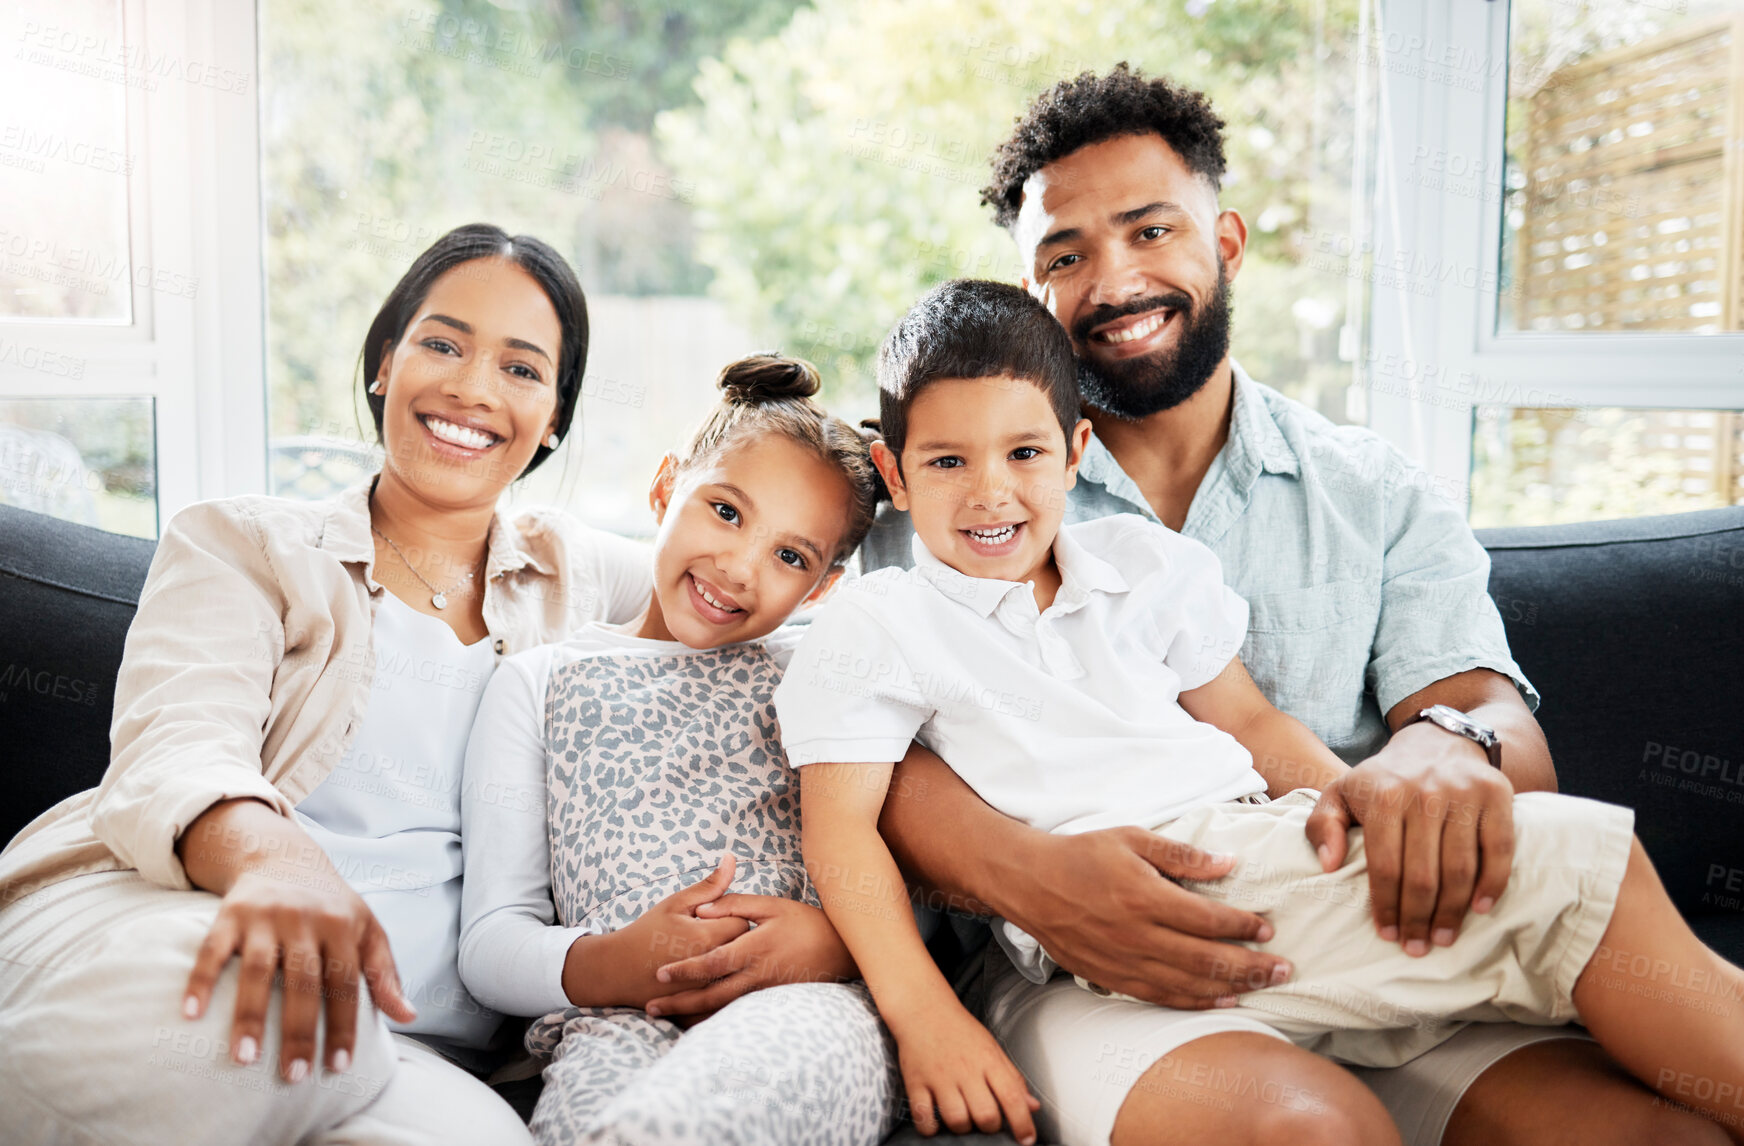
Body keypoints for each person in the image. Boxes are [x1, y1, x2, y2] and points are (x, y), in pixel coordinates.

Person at [857, 67, 1732, 1146]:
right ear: (1028, 291)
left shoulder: (1370, 489)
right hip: (1091, 981)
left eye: (1149, 230)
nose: (1115, 279)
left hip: (1357, 924)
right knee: (1303, 1131)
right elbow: (857, 757)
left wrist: (1445, 750)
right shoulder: (943, 492)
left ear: (1223, 242)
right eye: (1065, 255)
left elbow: (1492, 723)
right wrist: (1030, 880)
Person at [0, 224, 651, 1145]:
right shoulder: (243, 544)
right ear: (385, 363)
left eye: (521, 368)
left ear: (555, 419)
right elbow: (178, 743)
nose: (471, 388)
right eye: (442, 343)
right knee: (246, 1024)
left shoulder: (581, 578)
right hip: (192, 924)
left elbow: (761, 581)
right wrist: (280, 865)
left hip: (423, 1048)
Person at [458, 353, 903, 1146]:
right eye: (726, 512)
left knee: (691, 1123)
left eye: (791, 556)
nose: (738, 567)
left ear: (823, 589)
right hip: (613, 1017)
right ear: (666, 487)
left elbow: (926, 890)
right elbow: (492, 942)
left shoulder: (816, 675)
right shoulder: (540, 682)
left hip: (805, 1006)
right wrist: (619, 964)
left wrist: (832, 943)